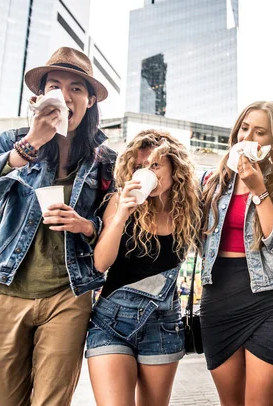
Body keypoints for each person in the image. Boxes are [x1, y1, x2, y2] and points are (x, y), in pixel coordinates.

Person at [0, 47, 116, 405]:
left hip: (68, 294)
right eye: (55, 86)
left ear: (91, 100)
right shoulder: (12, 142)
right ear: (39, 96)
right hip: (7, 291)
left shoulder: (106, 161)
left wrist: (85, 225)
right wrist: (29, 145)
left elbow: (112, 230)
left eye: (76, 88)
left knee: (52, 401)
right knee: (6, 399)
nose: (64, 96)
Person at [200, 101, 273, 405]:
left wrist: (259, 190)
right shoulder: (211, 182)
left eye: (260, 132)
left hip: (266, 304)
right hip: (218, 304)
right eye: (244, 128)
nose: (249, 137)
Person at [86, 130, 202, 406]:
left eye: (154, 165)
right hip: (112, 322)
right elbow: (100, 263)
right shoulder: (119, 201)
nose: (146, 172)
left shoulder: (190, 209)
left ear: (174, 165)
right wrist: (122, 214)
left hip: (162, 324)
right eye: (139, 167)